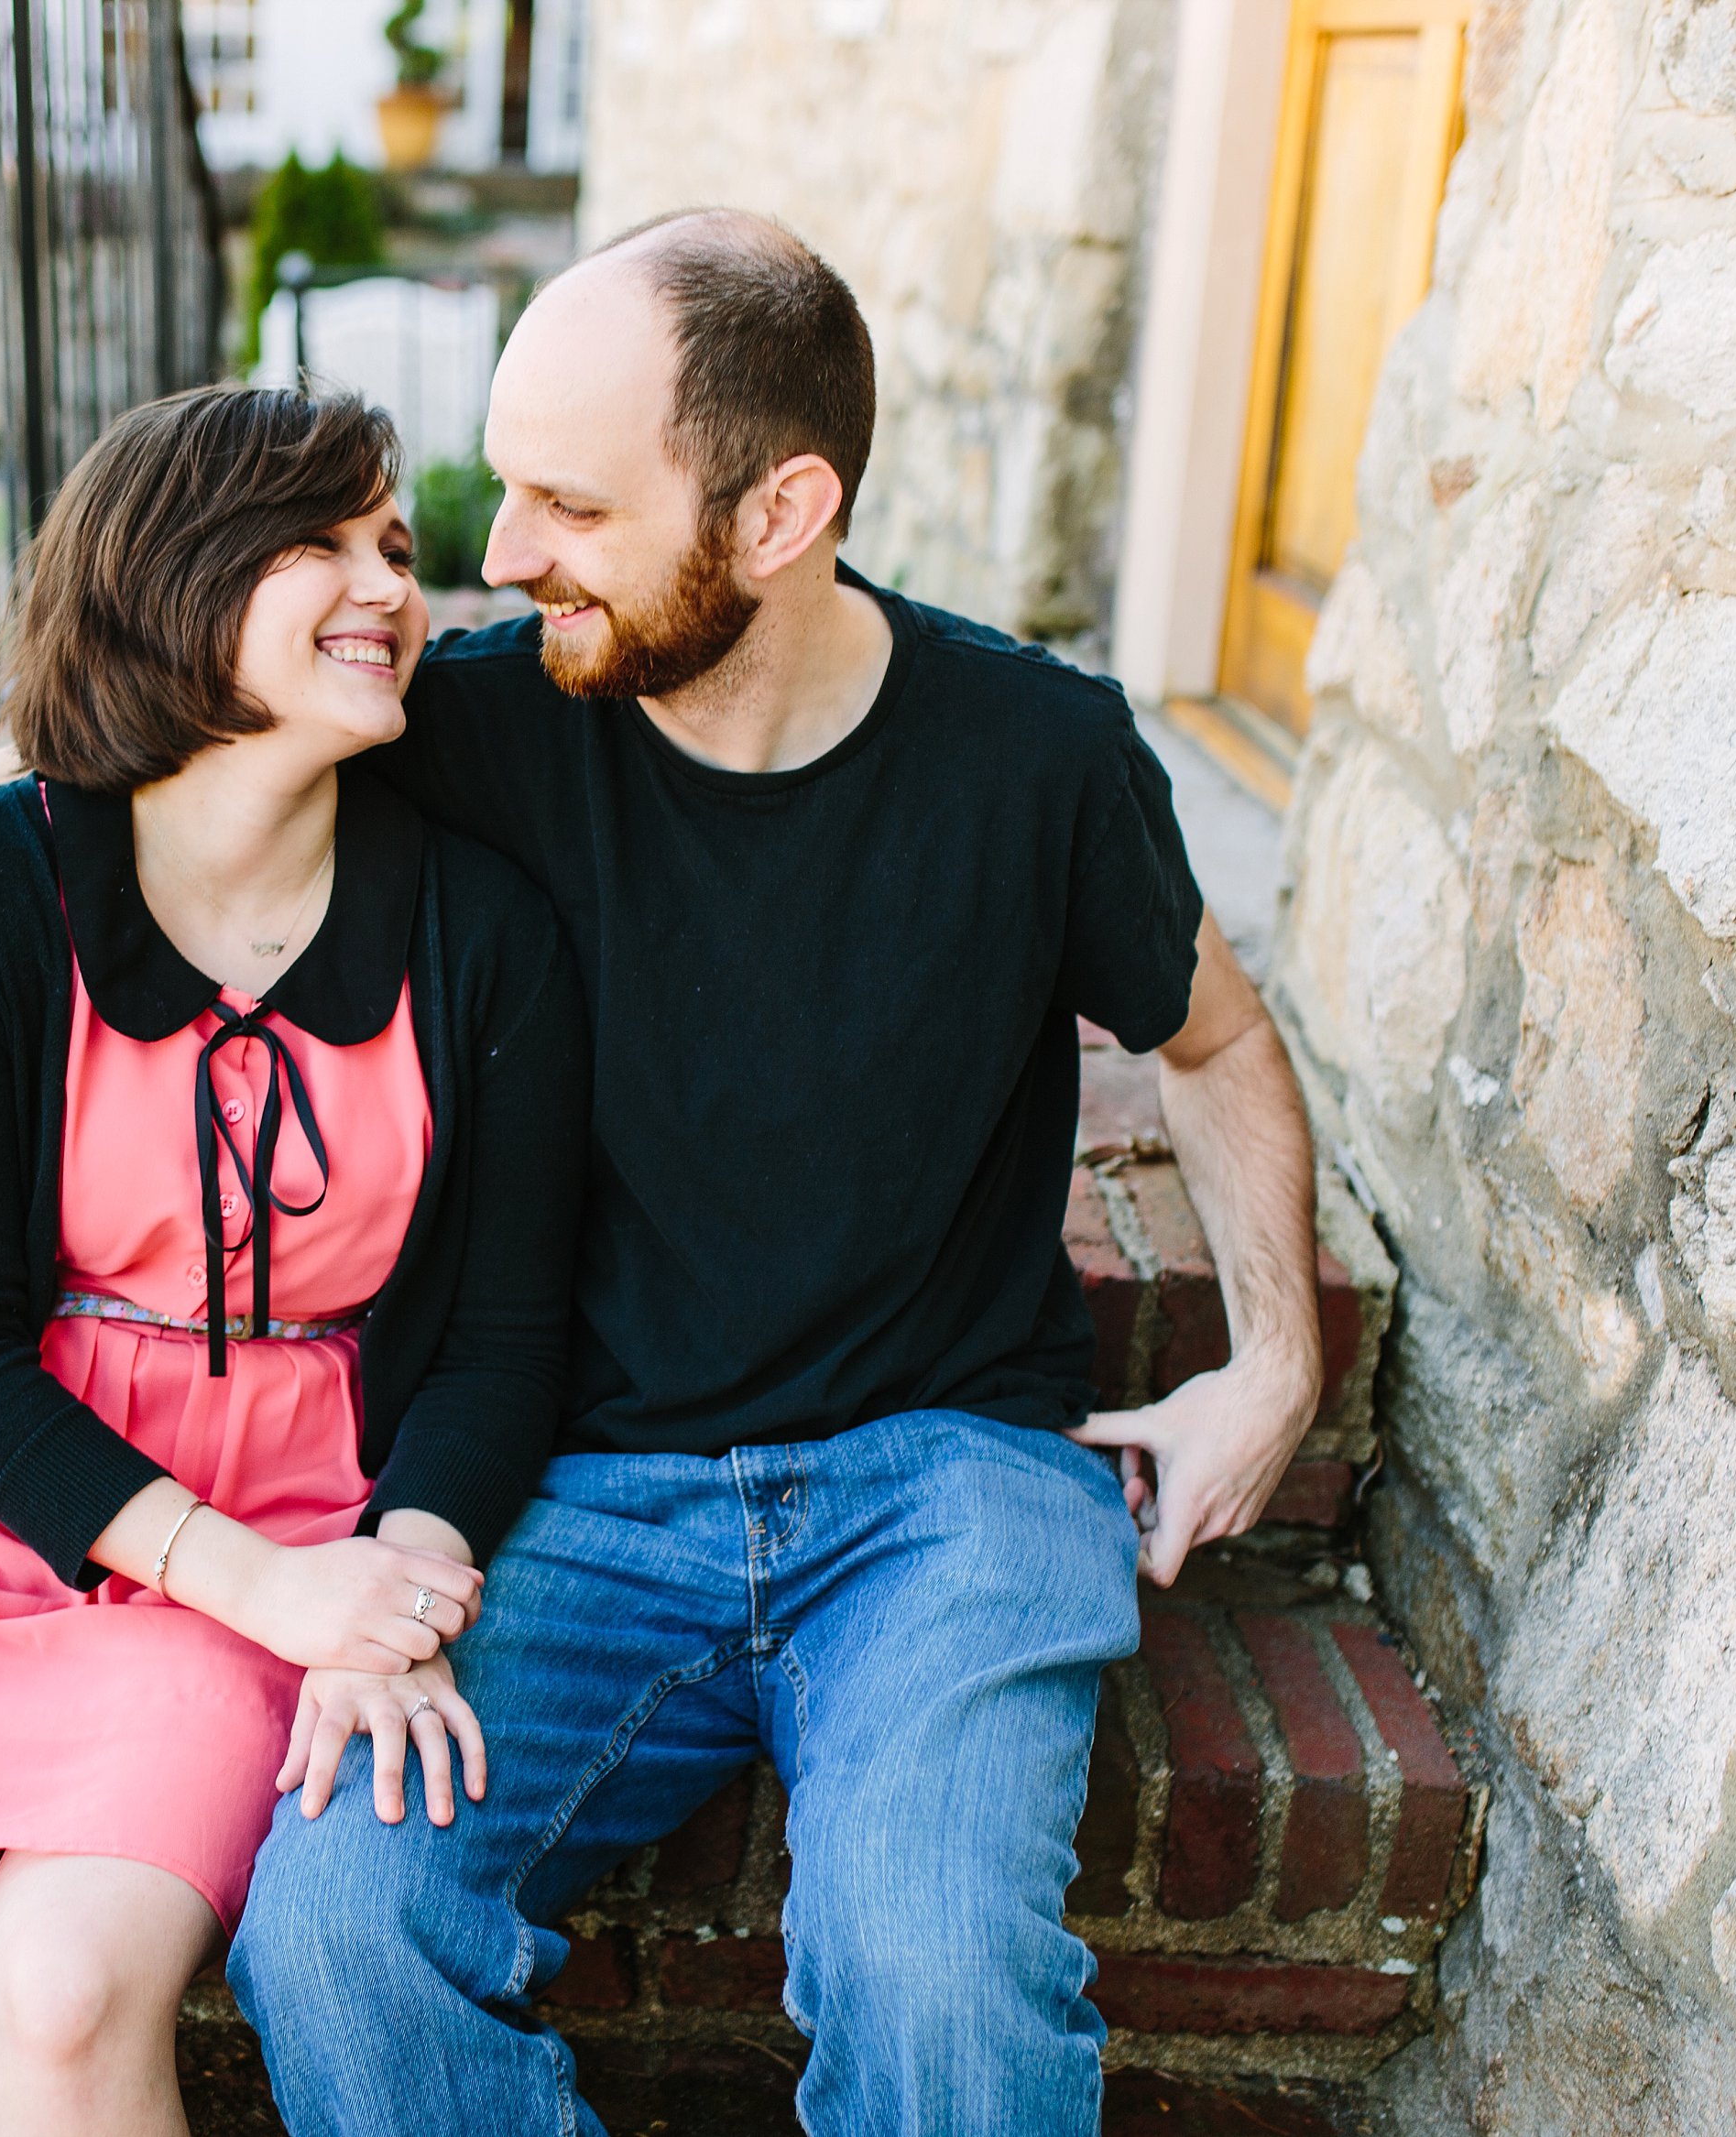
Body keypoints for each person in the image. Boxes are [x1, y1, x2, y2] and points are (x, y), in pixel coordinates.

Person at [229, 212, 1327, 2135]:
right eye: (503, 490)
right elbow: (135, 795)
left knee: (934, 1979)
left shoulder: (1034, 756)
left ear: (777, 511)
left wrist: (1277, 1366)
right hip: (567, 1498)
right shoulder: (474, 737)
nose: (500, 560)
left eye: (569, 504)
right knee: (330, 1927)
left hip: (944, 1491)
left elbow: (1216, 1041)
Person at [0, 385, 587, 2137]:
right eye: (320, 541)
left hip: (298, 1524)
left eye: (394, 545)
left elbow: (503, 1337)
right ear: (170, 577)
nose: (389, 583)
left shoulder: (483, 934)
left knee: (66, 1990)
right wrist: (263, 1586)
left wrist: (387, 1587)